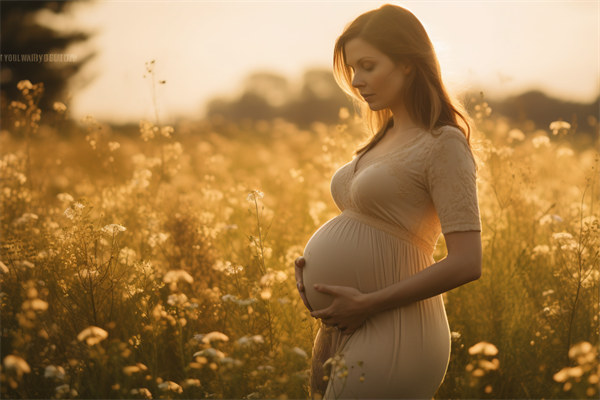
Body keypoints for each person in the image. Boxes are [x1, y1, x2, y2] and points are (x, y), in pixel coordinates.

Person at [294, 4, 483, 399]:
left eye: (368, 65)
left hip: (397, 325)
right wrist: (314, 279)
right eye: (352, 70)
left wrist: (367, 301)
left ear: (409, 63)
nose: (357, 81)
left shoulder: (443, 143)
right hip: (348, 323)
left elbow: (467, 261)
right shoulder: (381, 138)